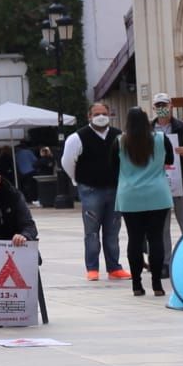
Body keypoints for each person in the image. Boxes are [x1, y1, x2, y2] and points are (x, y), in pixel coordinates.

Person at [62, 102, 129, 282]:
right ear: (89, 116)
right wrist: (77, 180)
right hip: (90, 190)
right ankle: (92, 268)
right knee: (91, 232)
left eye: (104, 113)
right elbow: (68, 161)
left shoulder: (119, 136)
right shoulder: (77, 137)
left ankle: (114, 267)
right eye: (97, 113)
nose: (101, 116)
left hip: (115, 189)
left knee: (112, 230)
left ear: (109, 114)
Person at [114, 108, 176, 297]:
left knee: (134, 239)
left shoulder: (119, 141)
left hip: (130, 195)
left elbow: (112, 166)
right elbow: (171, 159)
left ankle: (136, 285)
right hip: (157, 194)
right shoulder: (160, 138)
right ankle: (157, 284)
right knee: (156, 239)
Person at [151, 95, 183, 240]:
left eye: (164, 105)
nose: (162, 109)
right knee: (162, 226)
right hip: (157, 183)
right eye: (158, 106)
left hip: (182, 183)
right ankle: (165, 261)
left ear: (171, 106)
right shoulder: (149, 129)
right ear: (153, 108)